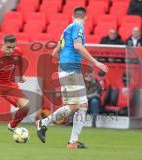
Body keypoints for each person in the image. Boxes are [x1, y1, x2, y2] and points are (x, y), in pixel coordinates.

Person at [36, 7, 109, 149]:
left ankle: (73, 141)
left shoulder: (66, 30)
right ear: (86, 17)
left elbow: (55, 52)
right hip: (70, 70)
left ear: (72, 15)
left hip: (70, 69)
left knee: (83, 105)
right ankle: (43, 123)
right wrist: (95, 62)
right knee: (75, 106)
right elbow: (78, 46)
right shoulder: (78, 27)